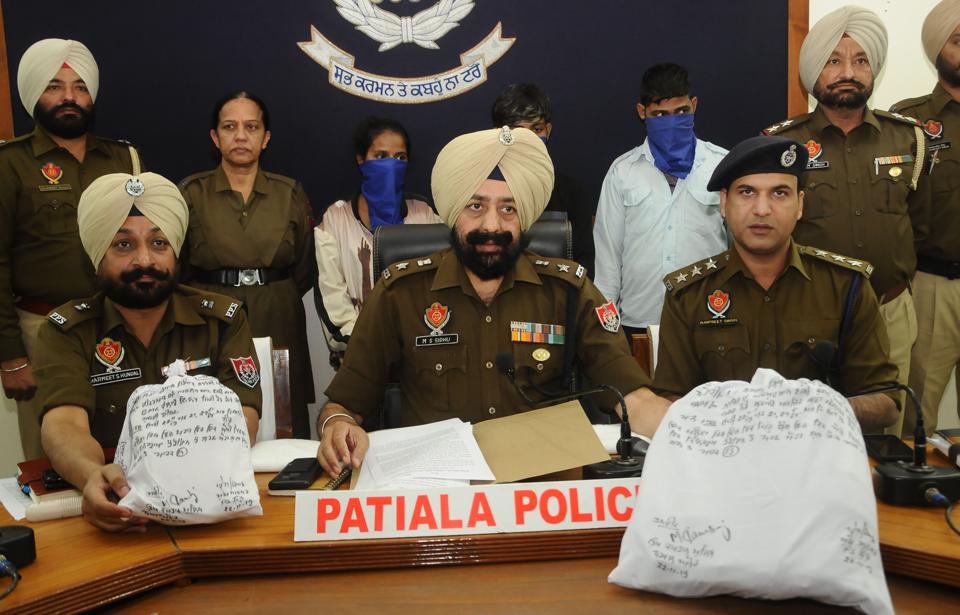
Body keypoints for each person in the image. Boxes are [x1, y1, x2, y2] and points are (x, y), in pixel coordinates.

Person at [315, 126, 672, 477]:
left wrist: (682, 432)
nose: (492, 226)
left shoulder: (568, 291)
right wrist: (338, 425)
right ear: (453, 213)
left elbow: (634, 399)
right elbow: (343, 405)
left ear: (525, 218)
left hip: (541, 486)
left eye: (508, 209)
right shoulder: (400, 293)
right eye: (475, 206)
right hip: (439, 488)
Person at [33, 172, 261, 532]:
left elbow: (242, 417)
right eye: (124, 245)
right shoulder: (67, 330)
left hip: (211, 499)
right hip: (115, 497)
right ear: (97, 255)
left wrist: (179, 483)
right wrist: (93, 475)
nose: (145, 260)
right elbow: (64, 423)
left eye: (159, 243)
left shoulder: (221, 319)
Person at [654, 136, 899, 431]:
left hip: (819, 449)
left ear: (800, 205)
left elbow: (885, 401)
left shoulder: (846, 286)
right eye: (747, 192)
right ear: (724, 203)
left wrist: (811, 412)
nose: (762, 209)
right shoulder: (688, 295)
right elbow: (670, 399)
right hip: (723, 450)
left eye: (779, 193)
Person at [763, 6, 929, 434]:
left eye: (860, 60)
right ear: (814, 70)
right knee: (810, 432)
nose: (847, 72)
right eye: (833, 61)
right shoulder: (783, 144)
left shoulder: (907, 137)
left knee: (888, 433)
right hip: (809, 316)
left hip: (891, 310)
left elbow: (919, 224)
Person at [0, 38, 143, 459]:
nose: (69, 97)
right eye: (55, 86)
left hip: (118, 324)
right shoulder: (10, 164)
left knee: (131, 445)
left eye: (80, 87)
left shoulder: (124, 159)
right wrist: (11, 356)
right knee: (53, 455)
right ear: (34, 94)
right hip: (43, 329)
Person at [179, 91, 315, 438]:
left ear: (265, 138)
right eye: (230, 127)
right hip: (212, 320)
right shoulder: (191, 194)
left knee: (284, 418)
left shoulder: (289, 193)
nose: (241, 136)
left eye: (251, 127)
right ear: (215, 136)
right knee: (212, 421)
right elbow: (177, 268)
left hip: (277, 315)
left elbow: (304, 269)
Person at [593, 64, 728, 335]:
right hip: (638, 322)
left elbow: (742, 247)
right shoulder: (622, 172)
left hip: (709, 320)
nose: (672, 122)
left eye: (681, 112)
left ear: (694, 105)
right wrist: (604, 332)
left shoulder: (722, 165)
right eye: (660, 115)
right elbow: (608, 260)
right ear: (642, 112)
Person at [314, 116, 439, 367]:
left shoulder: (424, 214)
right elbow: (332, 297)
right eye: (381, 157)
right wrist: (368, 344)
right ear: (361, 159)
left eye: (400, 158)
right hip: (359, 358)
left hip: (421, 357)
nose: (391, 165)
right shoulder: (335, 219)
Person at [890, 0, 960, 434]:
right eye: (959, 40)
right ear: (937, 50)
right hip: (933, 288)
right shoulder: (909, 120)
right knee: (917, 420)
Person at [490, 83, 594, 273]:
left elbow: (584, 267)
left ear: (549, 130)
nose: (529, 139)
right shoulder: (482, 190)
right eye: (518, 131)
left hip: (558, 290)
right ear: (500, 134)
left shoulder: (571, 192)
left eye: (537, 129)